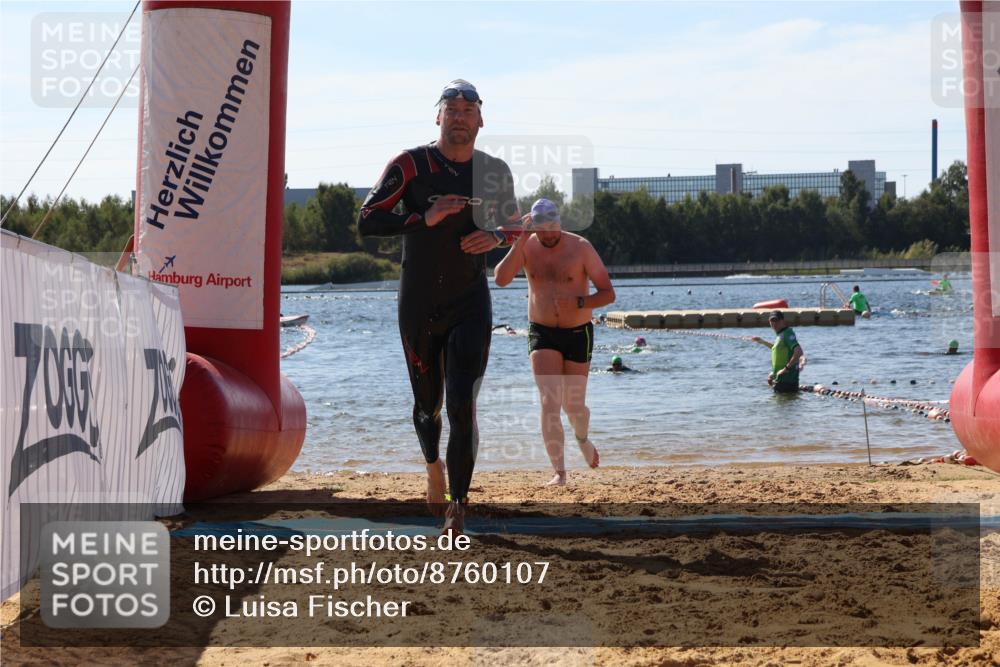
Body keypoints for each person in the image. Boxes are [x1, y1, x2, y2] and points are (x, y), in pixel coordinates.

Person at [358, 79, 521, 533]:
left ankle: (458, 506)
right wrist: (422, 218)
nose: (460, 115)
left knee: (462, 404)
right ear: (439, 117)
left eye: (469, 109)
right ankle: (434, 467)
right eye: (452, 108)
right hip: (419, 304)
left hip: (471, 301)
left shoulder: (494, 171)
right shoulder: (411, 165)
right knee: (427, 406)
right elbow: (367, 218)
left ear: (481, 120)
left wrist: (496, 237)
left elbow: (514, 225)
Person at [494, 198, 616, 486]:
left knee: (574, 408)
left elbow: (608, 293)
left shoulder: (581, 247)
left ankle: (583, 439)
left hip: (578, 332)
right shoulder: (527, 246)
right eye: (542, 230)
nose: (548, 235)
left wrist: (580, 301)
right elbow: (500, 279)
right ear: (533, 226)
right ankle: (559, 472)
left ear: (560, 223)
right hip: (542, 332)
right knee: (550, 401)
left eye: (553, 228)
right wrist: (519, 242)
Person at [751, 310, 804, 394]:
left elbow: (798, 351)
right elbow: (777, 349)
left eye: (777, 320)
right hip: (780, 380)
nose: (774, 323)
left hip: (787, 381)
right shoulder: (780, 334)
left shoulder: (787, 333)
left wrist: (786, 369)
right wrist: (762, 341)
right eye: (772, 321)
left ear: (782, 320)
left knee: (781, 405)